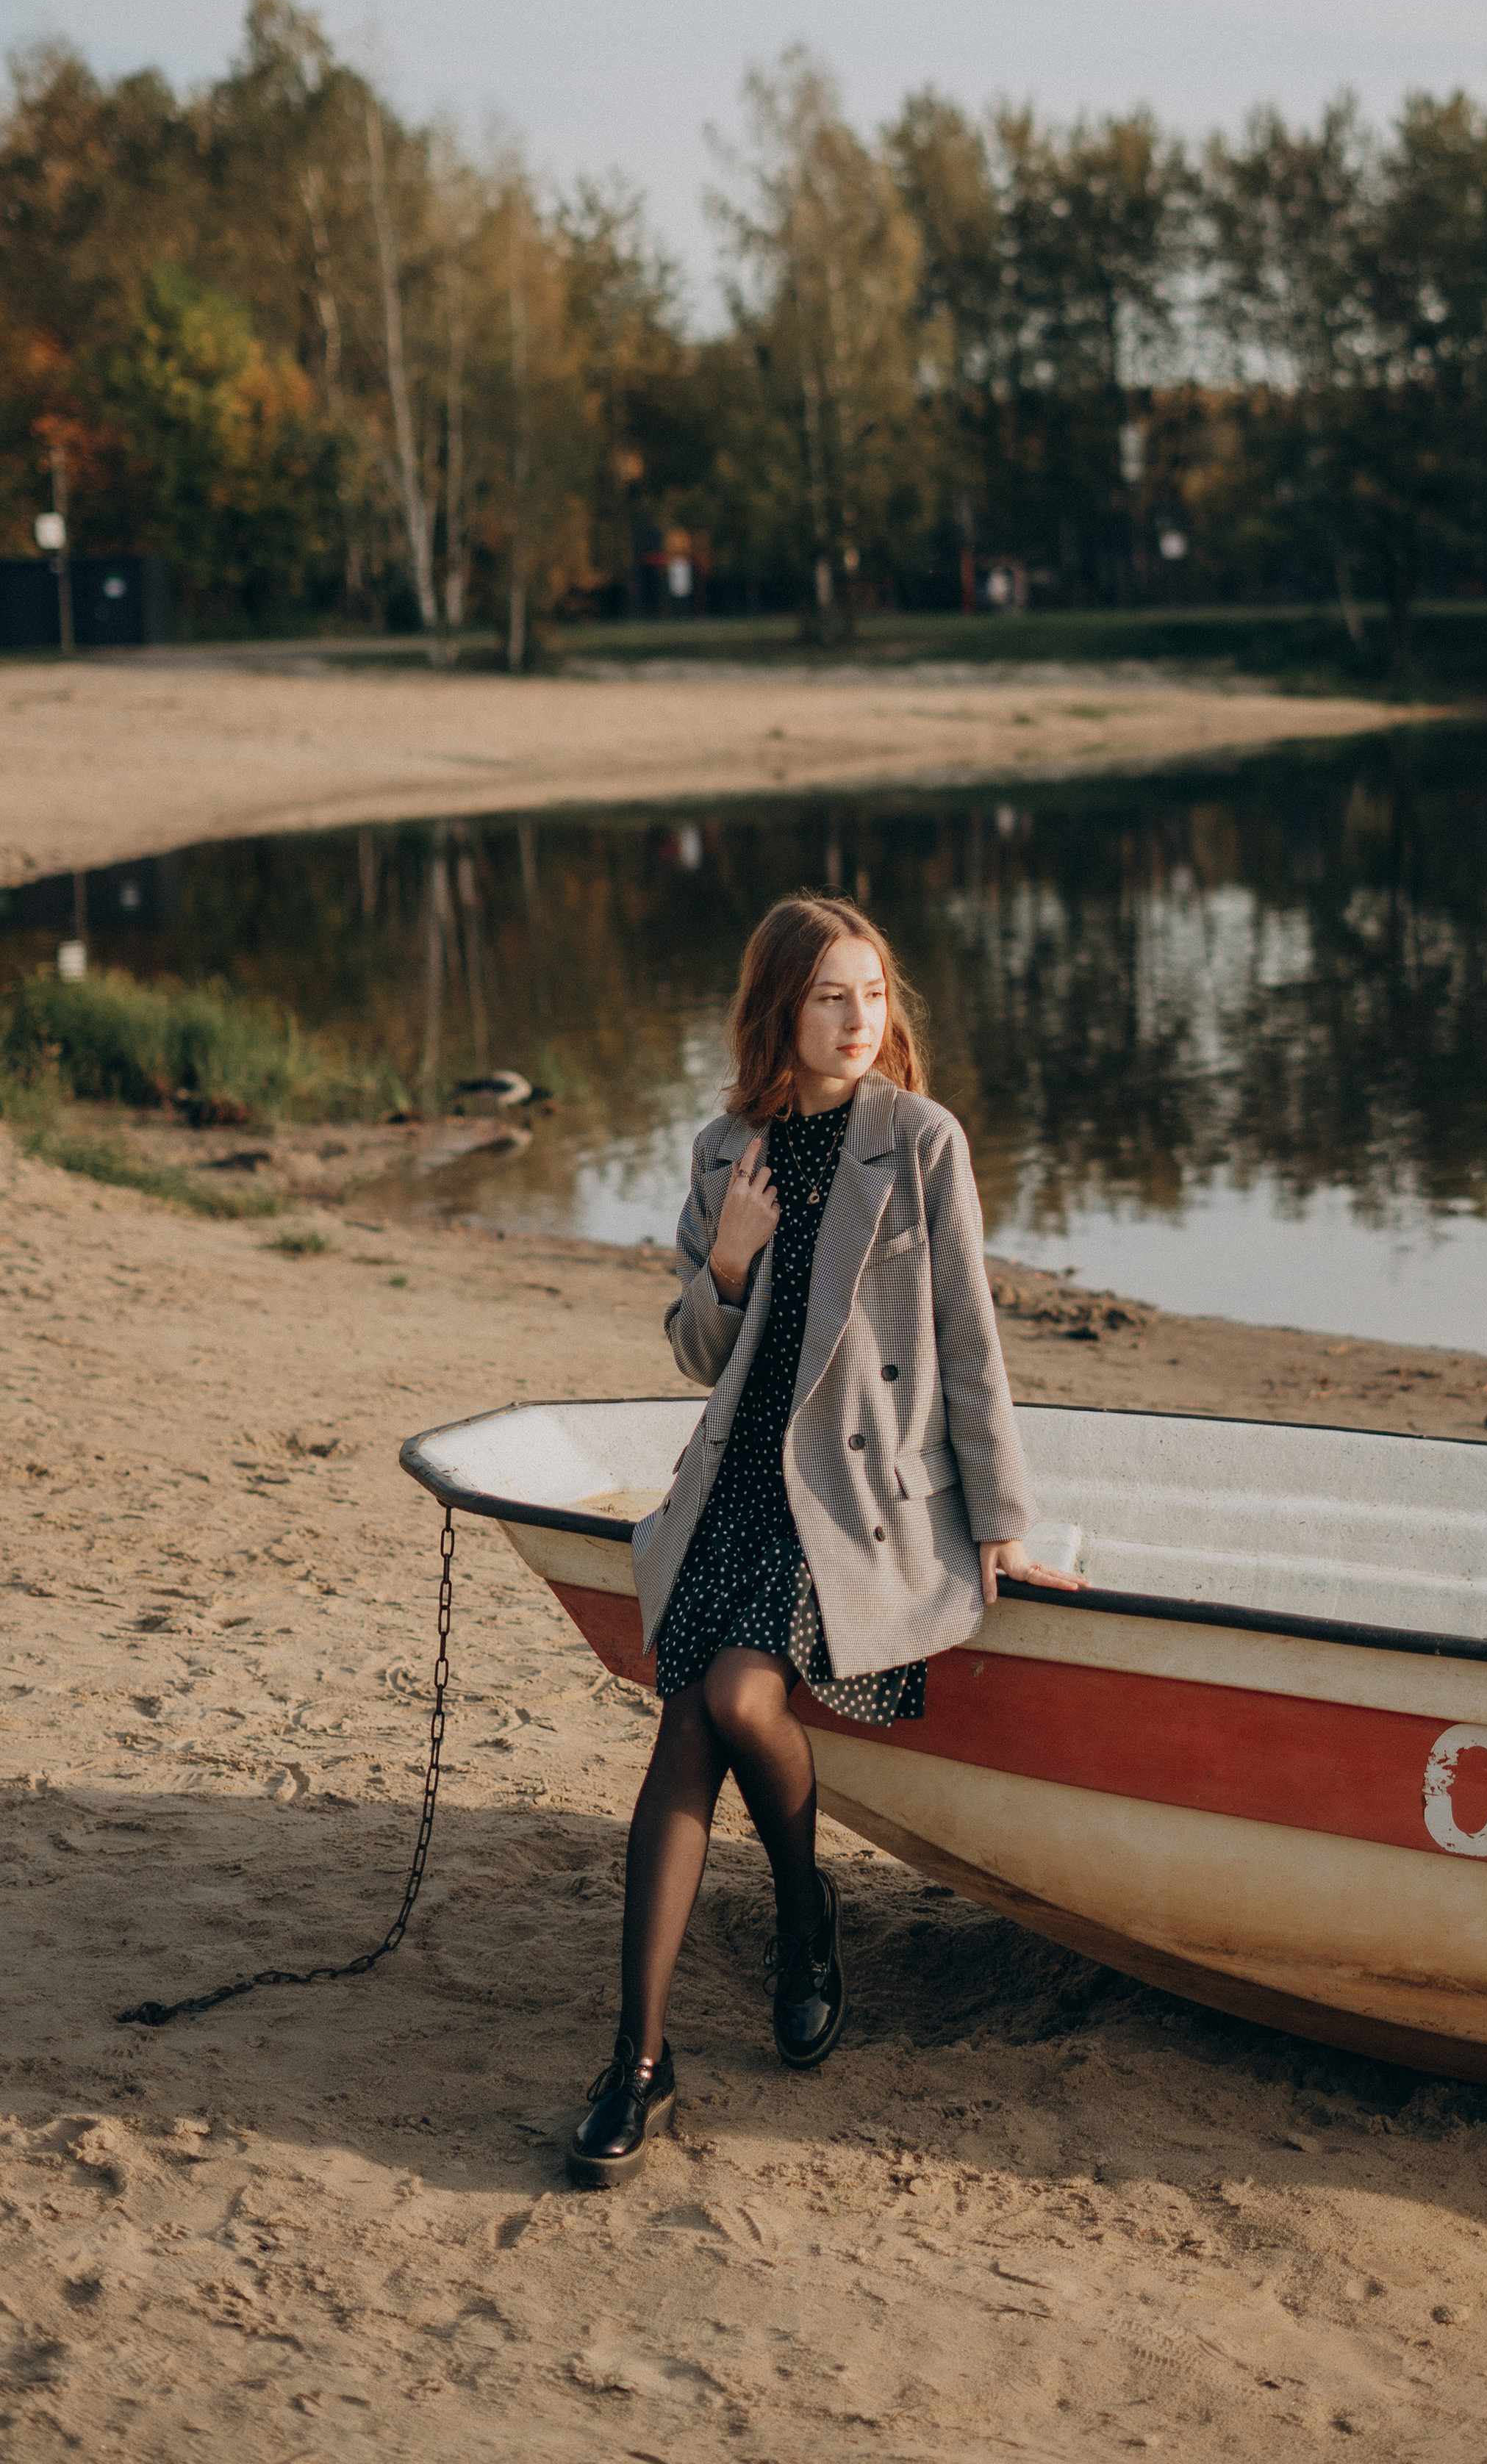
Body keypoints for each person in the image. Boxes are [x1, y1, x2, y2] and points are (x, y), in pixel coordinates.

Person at [567, 891, 1083, 2188]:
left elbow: (970, 1341)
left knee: (733, 1696)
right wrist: (729, 1263)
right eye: (831, 998)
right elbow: (697, 1356)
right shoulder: (721, 1152)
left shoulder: (920, 1141)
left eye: (875, 994)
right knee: (688, 1726)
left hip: (851, 1498)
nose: (862, 1021)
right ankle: (640, 2056)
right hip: (736, 1481)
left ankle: (801, 1919)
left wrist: (1004, 1525)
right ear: (779, 1013)